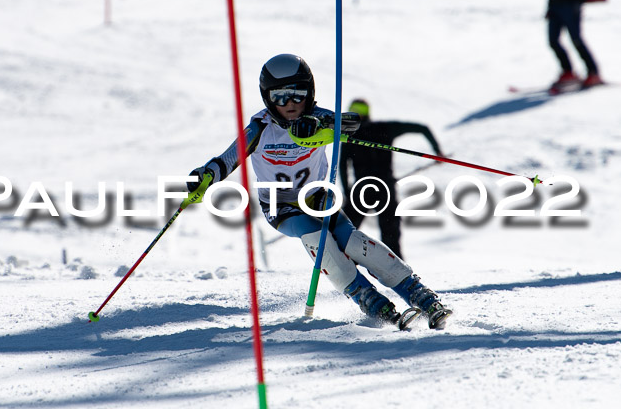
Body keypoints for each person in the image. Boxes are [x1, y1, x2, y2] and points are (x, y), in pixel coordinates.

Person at [185, 54, 452, 329]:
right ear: (268, 99)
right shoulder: (260, 128)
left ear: (309, 93)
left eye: (297, 94)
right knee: (317, 238)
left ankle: (417, 293)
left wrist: (323, 127)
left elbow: (350, 123)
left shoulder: (318, 117)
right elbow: (228, 159)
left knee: (352, 241)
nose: (289, 104)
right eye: (280, 97)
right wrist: (205, 177)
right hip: (281, 206)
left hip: (317, 198)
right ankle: (369, 298)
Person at [339, 99, 443, 261]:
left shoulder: (349, 136)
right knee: (390, 235)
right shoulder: (385, 128)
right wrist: (438, 153)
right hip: (384, 187)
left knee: (344, 232)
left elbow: (343, 167)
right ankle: (398, 269)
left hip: (361, 190)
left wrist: (347, 192)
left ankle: (341, 264)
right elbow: (423, 128)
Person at [547, 0, 603, 90]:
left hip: (571, 4)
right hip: (556, 5)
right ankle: (568, 71)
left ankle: (593, 72)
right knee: (553, 40)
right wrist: (549, 6)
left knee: (576, 38)